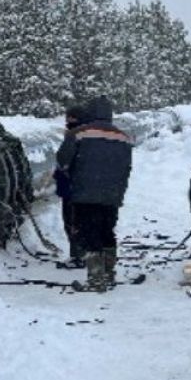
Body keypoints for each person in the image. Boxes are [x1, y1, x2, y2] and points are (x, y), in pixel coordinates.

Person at [54, 95, 134, 292]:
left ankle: (96, 278)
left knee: (90, 233)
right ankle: (109, 273)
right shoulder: (123, 136)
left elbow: (63, 160)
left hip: (84, 193)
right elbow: (126, 167)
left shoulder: (79, 134)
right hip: (112, 194)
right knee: (107, 231)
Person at [53, 105, 88, 269]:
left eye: (70, 117)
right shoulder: (93, 133)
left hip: (72, 187)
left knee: (72, 221)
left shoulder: (73, 135)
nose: (68, 120)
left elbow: (63, 159)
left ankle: (77, 256)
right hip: (89, 186)